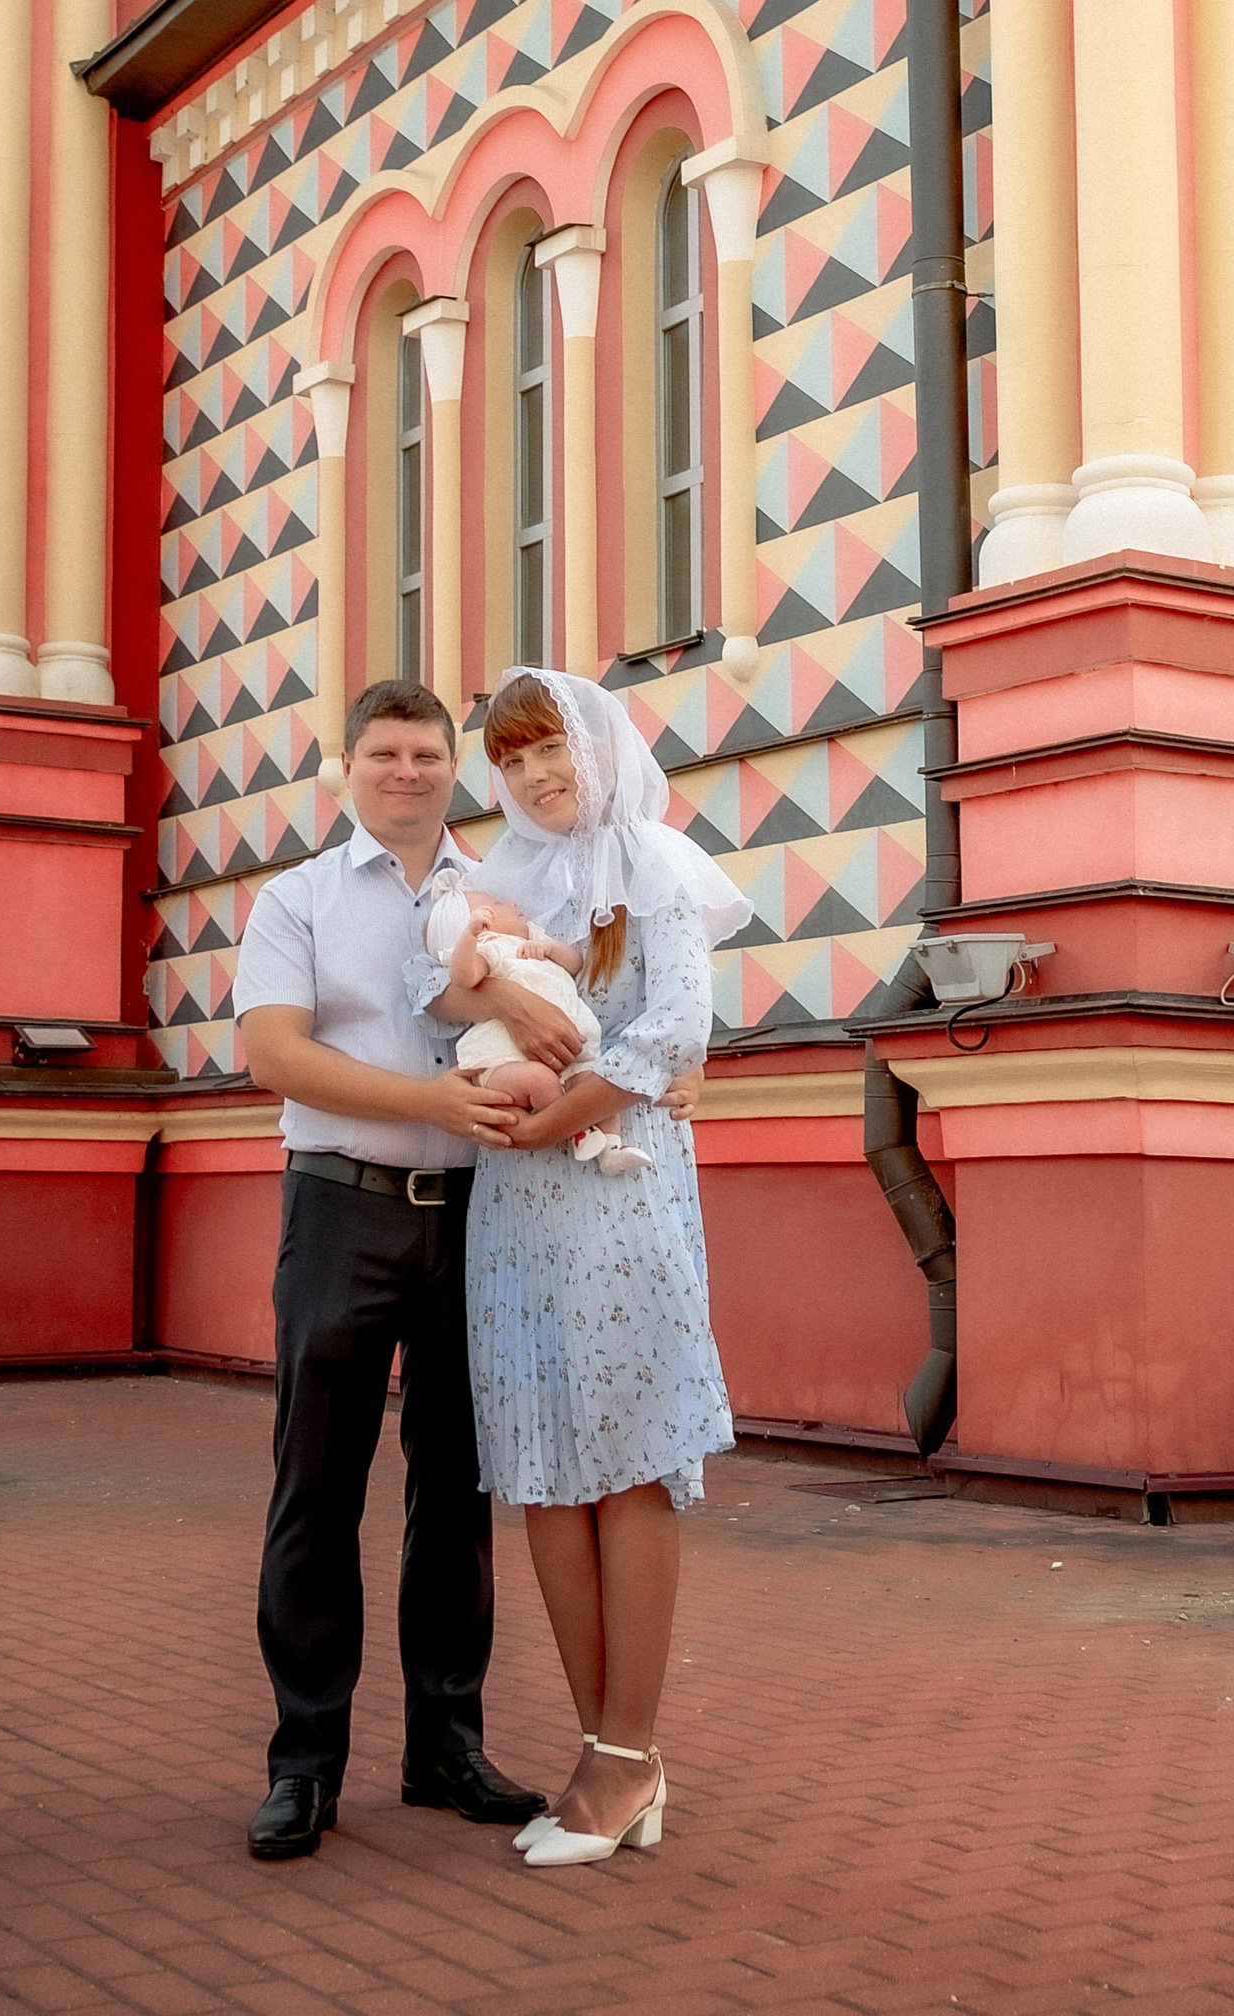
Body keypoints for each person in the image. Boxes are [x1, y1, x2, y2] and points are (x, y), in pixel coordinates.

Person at [231, 679, 590, 1863]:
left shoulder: (510, 887)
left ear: (452, 766)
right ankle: (304, 1761)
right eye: (383, 751)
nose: (407, 769)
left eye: (427, 751)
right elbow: (272, 1051)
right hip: (342, 1207)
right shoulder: (300, 897)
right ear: (348, 767)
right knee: (315, 1489)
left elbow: (581, 1003)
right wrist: (428, 1098)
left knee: (457, 1494)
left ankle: (445, 1745)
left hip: (481, 1218)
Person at [417, 667, 742, 1870]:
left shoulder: (651, 861)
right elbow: (430, 996)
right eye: (513, 760)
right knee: (545, 1469)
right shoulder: (492, 879)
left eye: (552, 748)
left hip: (618, 1183)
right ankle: (605, 1745)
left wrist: (557, 1118)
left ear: (601, 745)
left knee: (628, 1462)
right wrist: (491, 977)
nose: (537, 775)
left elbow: (674, 1028)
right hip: (512, 1205)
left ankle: (631, 1748)